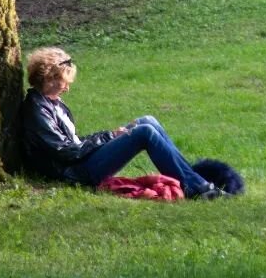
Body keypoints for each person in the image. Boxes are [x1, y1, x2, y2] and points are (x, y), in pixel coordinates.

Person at [19, 46, 228, 199]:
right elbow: (66, 151)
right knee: (144, 132)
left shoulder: (53, 103)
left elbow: (74, 142)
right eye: (65, 83)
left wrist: (108, 136)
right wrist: (109, 137)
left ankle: (194, 179)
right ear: (50, 79)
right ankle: (195, 188)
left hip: (79, 160)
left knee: (148, 120)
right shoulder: (37, 109)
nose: (67, 88)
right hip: (74, 172)